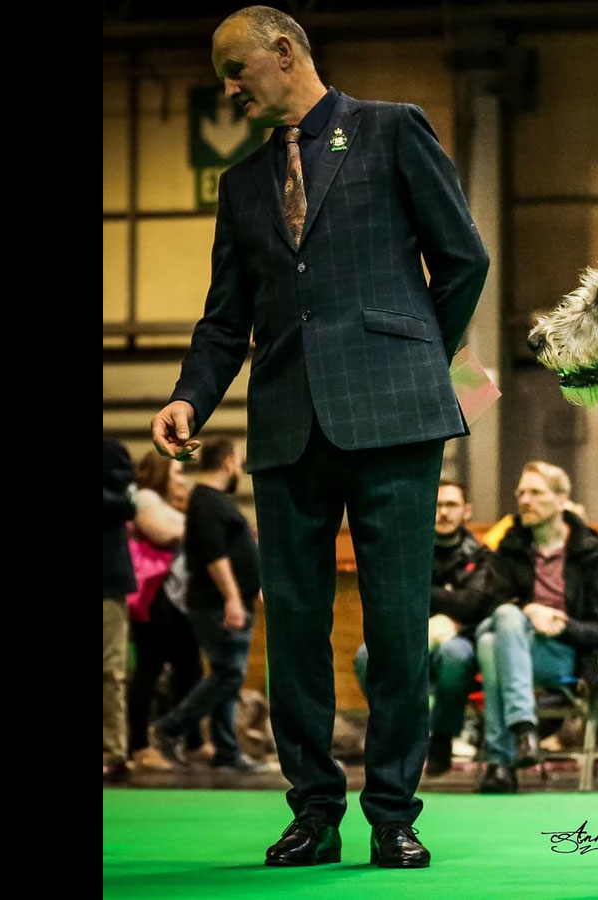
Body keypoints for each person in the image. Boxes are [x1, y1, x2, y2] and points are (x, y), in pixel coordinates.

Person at [149, 6, 489, 869]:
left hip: (396, 418)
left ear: (285, 51)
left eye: (236, 69)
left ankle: (393, 814)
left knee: (399, 621)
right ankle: (312, 812)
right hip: (287, 424)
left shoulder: (391, 131)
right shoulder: (240, 185)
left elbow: (464, 259)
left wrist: (414, 352)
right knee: (293, 625)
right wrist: (190, 397)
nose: (227, 89)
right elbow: (225, 320)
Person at [474, 461, 598, 794]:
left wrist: (562, 626)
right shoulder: (509, 547)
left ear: (562, 499)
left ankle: (502, 760)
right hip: (513, 640)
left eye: (536, 493)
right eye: (521, 493)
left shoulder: (590, 557)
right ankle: (524, 732)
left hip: (561, 654)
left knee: (491, 643)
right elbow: (487, 604)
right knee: (504, 624)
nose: (525, 500)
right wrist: (529, 611)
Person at [352, 479, 506, 776]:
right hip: (408, 638)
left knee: (455, 654)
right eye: (437, 505)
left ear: (467, 511)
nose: (444, 513)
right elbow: (392, 597)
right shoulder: (406, 552)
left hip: (459, 643)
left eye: (451, 505)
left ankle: (442, 739)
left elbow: (472, 605)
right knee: (365, 656)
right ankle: (396, 735)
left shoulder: (482, 555)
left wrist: (423, 592)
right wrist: (444, 605)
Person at [150, 438, 267, 776]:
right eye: (239, 461)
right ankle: (170, 727)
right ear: (228, 462)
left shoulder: (212, 501)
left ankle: (227, 750)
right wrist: (232, 597)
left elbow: (231, 551)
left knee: (227, 675)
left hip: (229, 600)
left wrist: (249, 587)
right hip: (217, 604)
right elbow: (215, 555)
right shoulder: (207, 502)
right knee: (228, 674)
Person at [127, 452, 207, 770]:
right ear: (161, 472)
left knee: (190, 668)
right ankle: (139, 746)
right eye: (175, 472)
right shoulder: (145, 497)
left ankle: (192, 743)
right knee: (148, 670)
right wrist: (203, 529)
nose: (181, 478)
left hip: (177, 601)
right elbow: (160, 531)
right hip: (154, 598)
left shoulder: (171, 506)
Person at [105, 439, 139, 784]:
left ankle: (114, 753)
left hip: (108, 582)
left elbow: (128, 505)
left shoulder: (111, 453)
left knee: (111, 671)